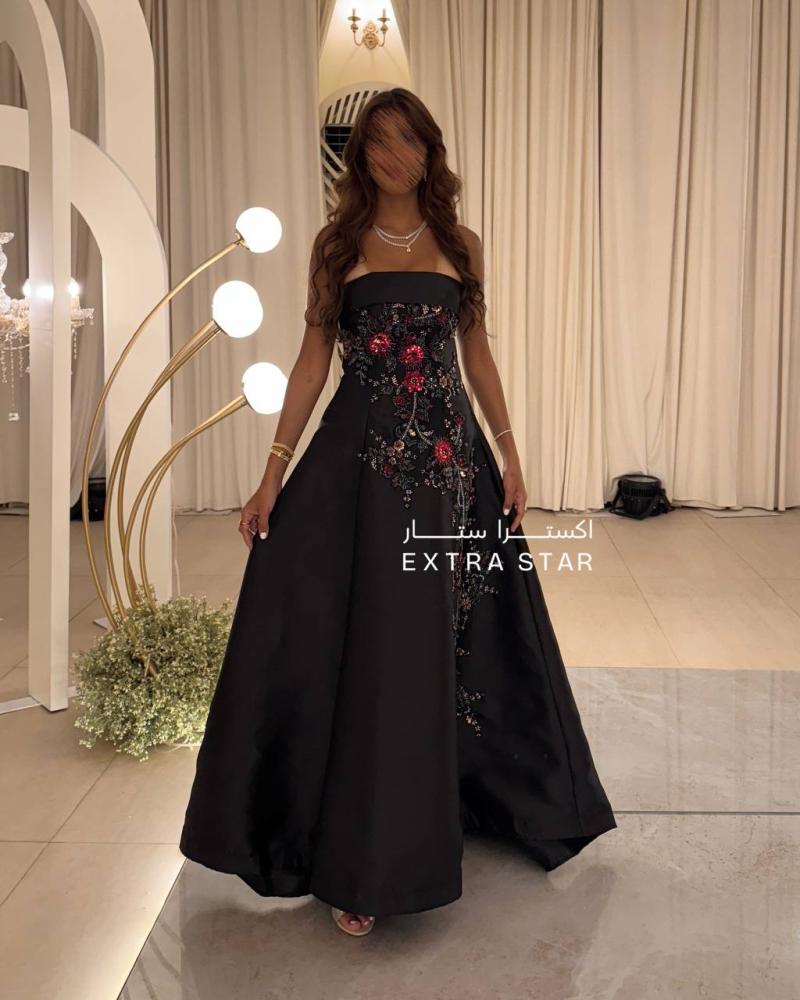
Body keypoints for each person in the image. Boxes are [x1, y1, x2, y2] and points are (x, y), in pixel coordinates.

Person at [179, 87, 617, 938]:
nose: (392, 156)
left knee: (438, 651)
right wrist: (272, 473)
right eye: (377, 142)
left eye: (407, 141)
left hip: (450, 472)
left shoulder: (462, 244)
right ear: (359, 156)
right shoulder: (336, 246)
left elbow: (475, 352)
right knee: (365, 651)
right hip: (357, 472)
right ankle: (360, 859)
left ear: (428, 151)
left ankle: (446, 810)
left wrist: (510, 450)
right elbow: (313, 360)